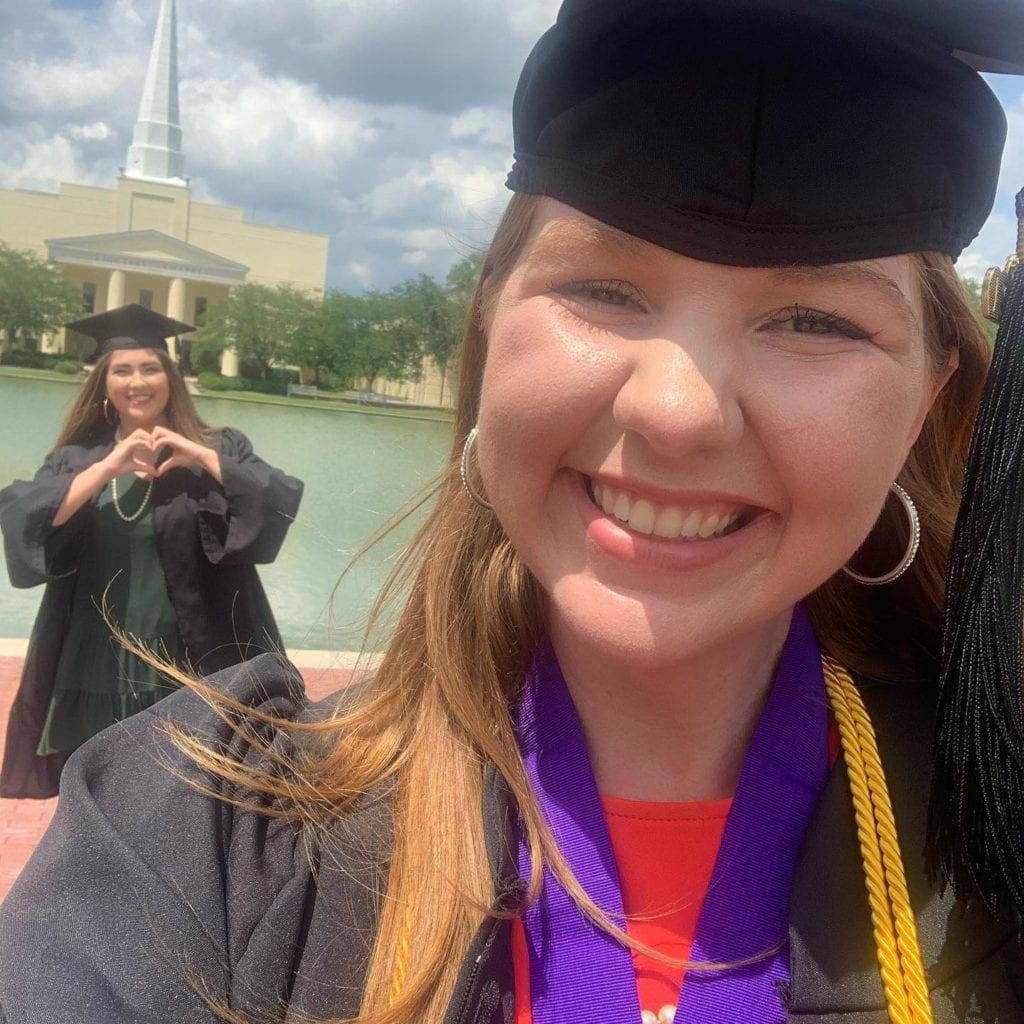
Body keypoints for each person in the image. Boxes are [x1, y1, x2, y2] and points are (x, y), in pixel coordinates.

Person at [2, 1, 1024, 1021]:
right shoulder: (199, 837)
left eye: (812, 320)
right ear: (489, 328)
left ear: (924, 400)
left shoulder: (997, 840)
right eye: (605, 291)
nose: (675, 410)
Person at [0, 304, 304, 799]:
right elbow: (22, 516)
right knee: (99, 794)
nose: (136, 382)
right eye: (122, 370)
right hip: (93, 663)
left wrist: (202, 457)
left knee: (182, 796)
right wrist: (107, 467)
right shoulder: (77, 460)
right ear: (104, 384)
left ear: (170, 377)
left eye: (150, 367)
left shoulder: (220, 445)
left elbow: (276, 499)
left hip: (187, 659)